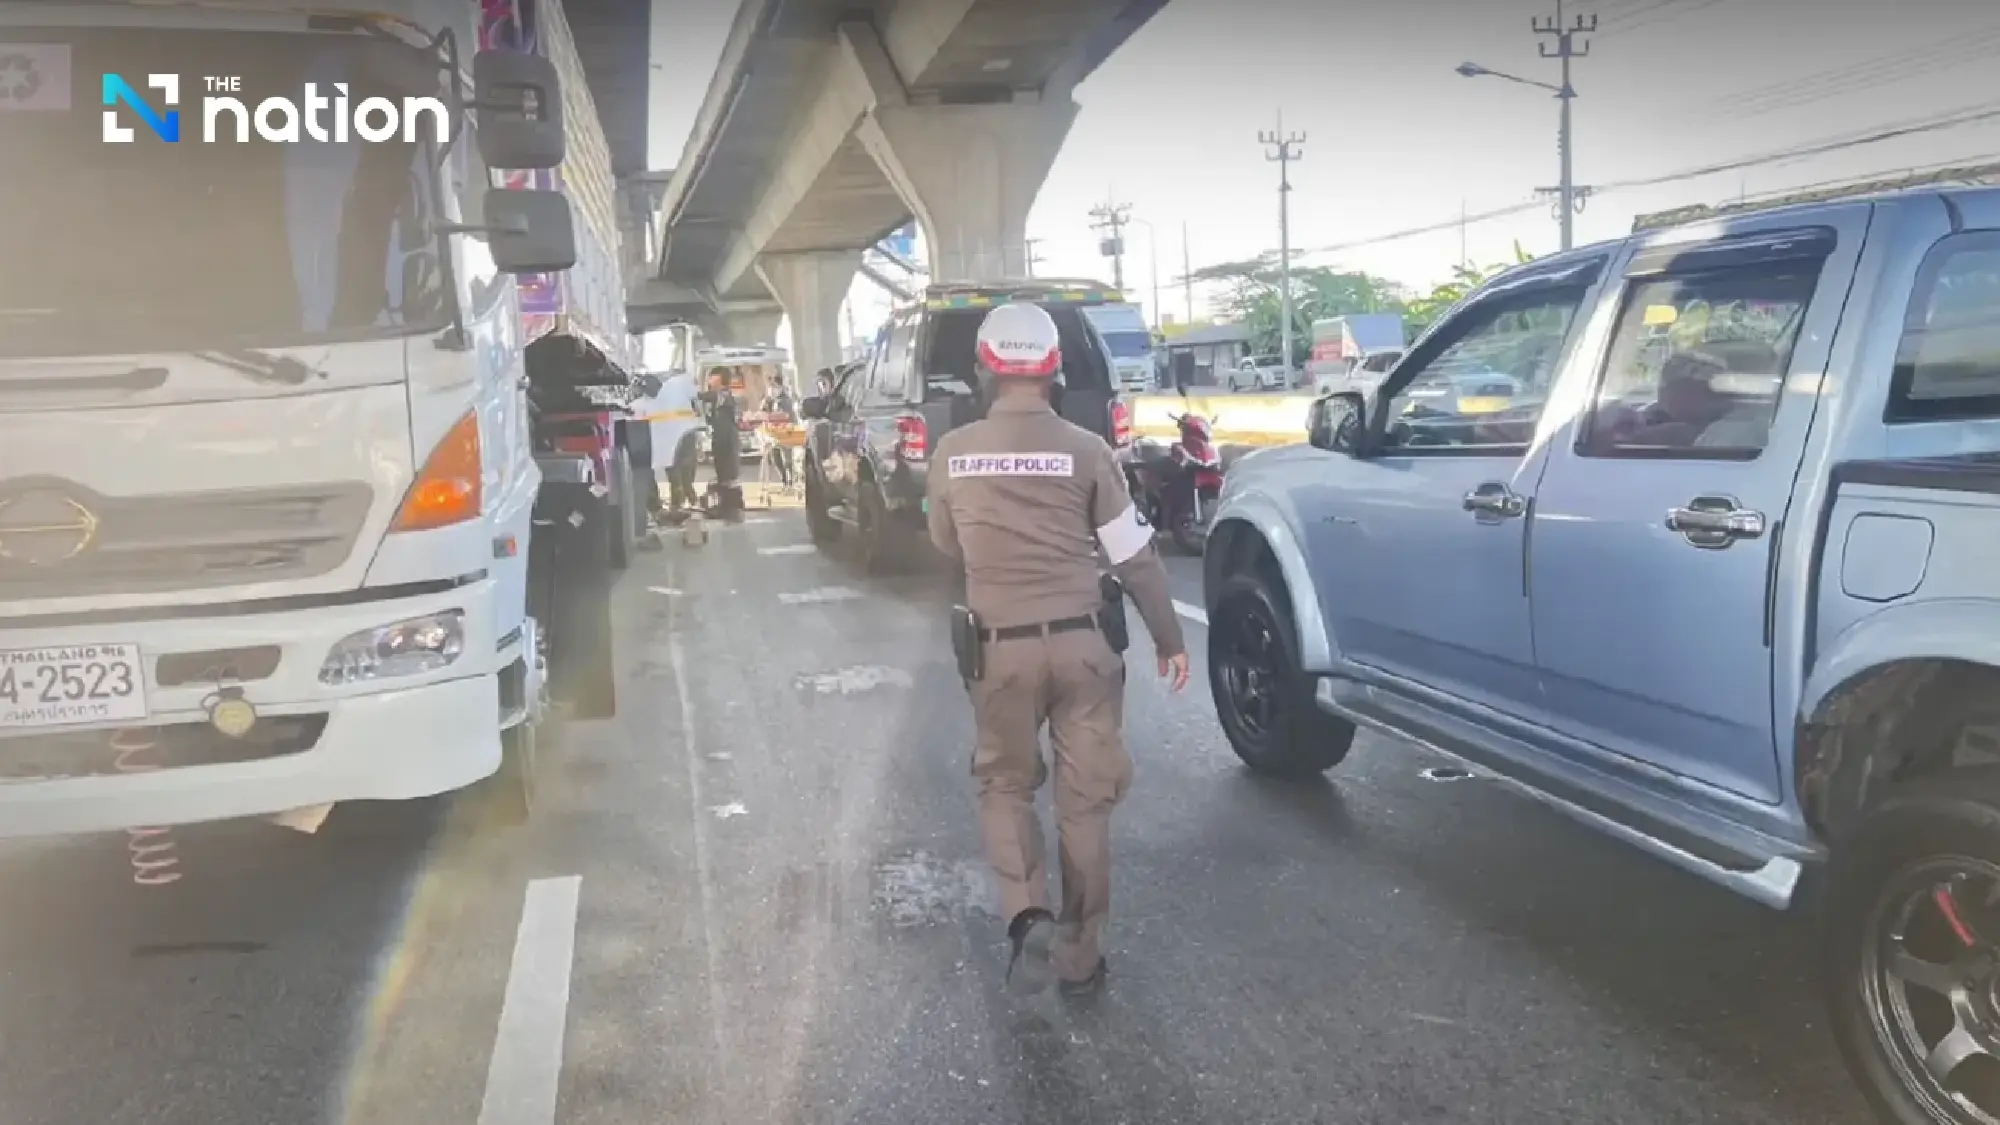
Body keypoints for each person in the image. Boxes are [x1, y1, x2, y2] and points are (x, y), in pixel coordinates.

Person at [926, 301, 1189, 1000]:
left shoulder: (952, 454)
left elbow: (946, 544)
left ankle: (1027, 912)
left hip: (999, 649)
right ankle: (1078, 954)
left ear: (984, 369)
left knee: (1006, 782)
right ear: (1054, 370)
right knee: (1086, 803)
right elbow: (1135, 557)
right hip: (1084, 649)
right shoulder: (1086, 448)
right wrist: (1169, 637)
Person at [758, 380, 798, 489]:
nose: (771, 391)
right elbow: (762, 413)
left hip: (786, 433)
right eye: (770, 388)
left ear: (779, 388)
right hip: (774, 434)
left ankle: (790, 482)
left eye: (774, 388)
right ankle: (785, 481)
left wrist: (770, 416)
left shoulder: (784, 401)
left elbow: (785, 415)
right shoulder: (769, 401)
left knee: (787, 459)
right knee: (776, 457)